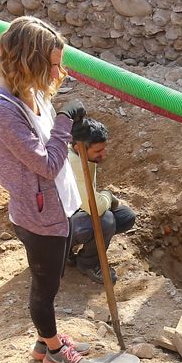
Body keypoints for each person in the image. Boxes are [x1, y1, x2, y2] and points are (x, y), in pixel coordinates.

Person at [0, 17, 97, 363]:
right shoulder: (1, 110)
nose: (60, 71)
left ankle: (48, 339)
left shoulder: (26, 88)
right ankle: (54, 350)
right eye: (53, 64)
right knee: (46, 286)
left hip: (52, 205)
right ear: (29, 63)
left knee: (52, 278)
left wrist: (69, 126)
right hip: (38, 212)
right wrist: (63, 122)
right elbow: (45, 164)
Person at [66, 118, 138, 284]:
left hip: (74, 214)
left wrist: (106, 198)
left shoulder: (81, 157)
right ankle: (87, 263)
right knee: (105, 220)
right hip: (54, 229)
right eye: (98, 150)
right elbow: (96, 207)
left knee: (125, 216)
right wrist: (108, 195)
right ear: (79, 148)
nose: (104, 154)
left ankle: (70, 252)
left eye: (104, 148)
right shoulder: (72, 164)